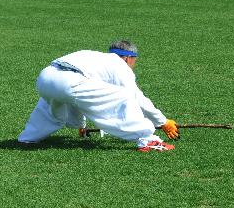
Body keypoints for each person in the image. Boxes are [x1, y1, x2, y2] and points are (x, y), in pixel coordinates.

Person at [17, 40, 178, 152]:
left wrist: (81, 125)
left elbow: (76, 98)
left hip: (45, 77)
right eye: (134, 60)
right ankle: (148, 140)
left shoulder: (94, 57)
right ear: (128, 58)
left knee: (52, 103)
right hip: (69, 80)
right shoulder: (119, 64)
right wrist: (162, 121)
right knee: (124, 96)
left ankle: (28, 138)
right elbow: (136, 96)